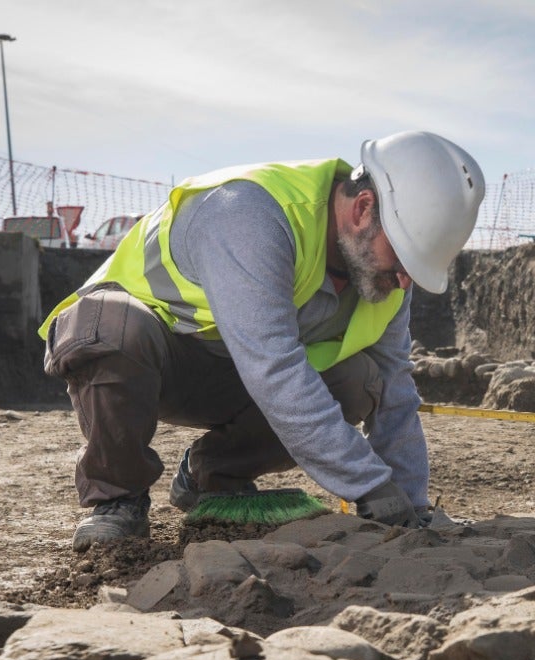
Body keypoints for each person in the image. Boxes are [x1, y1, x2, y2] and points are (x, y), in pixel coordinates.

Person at [40, 130, 485, 550]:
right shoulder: (248, 213)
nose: (406, 281)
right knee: (111, 325)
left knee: (361, 380)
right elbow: (274, 368)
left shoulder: (385, 275)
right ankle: (117, 497)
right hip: (157, 357)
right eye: (404, 257)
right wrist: (371, 485)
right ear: (363, 209)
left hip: (241, 376)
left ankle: (208, 474)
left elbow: (395, 390)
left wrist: (411, 503)